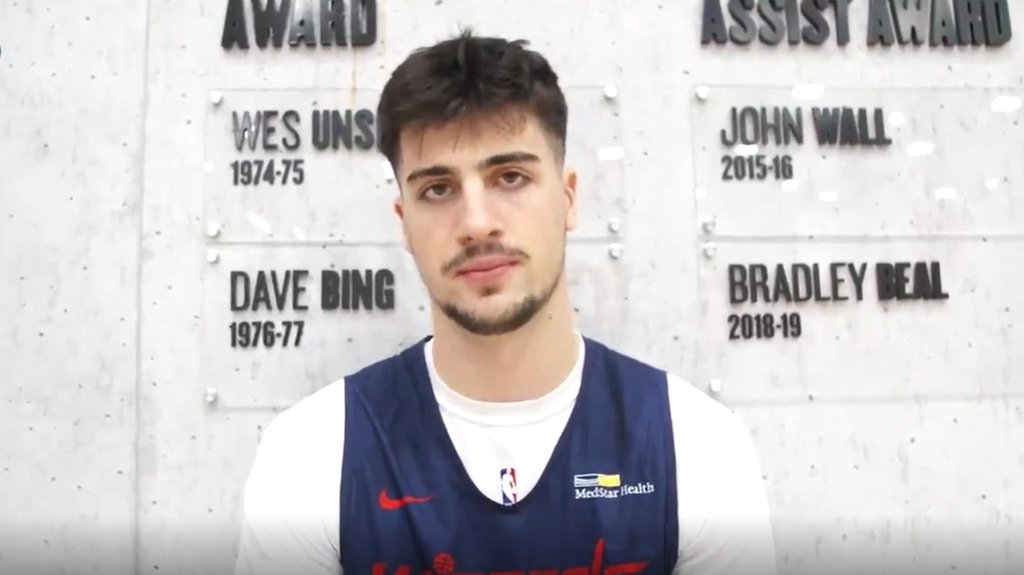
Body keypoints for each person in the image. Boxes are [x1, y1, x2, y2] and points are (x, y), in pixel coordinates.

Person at [233, 30, 777, 575]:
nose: (476, 223)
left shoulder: (698, 445)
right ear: (404, 222)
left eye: (510, 177)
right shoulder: (312, 452)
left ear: (568, 199)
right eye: (437, 189)